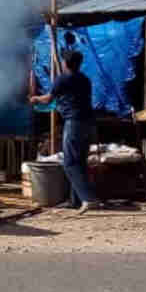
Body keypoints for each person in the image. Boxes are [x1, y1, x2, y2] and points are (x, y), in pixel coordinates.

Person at [30, 49, 101, 213]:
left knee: (70, 163)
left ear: (65, 63)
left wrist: (35, 99)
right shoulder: (85, 79)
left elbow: (48, 99)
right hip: (88, 122)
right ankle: (75, 201)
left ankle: (88, 199)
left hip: (74, 122)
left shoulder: (63, 79)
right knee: (80, 162)